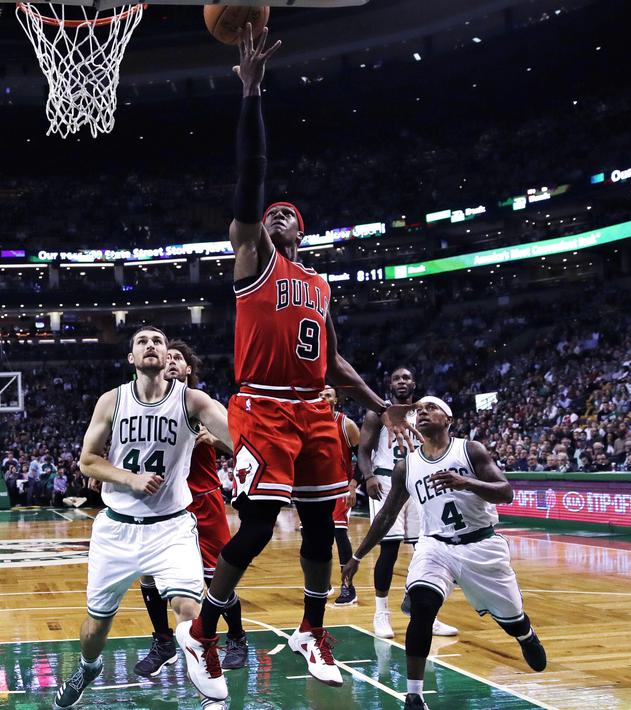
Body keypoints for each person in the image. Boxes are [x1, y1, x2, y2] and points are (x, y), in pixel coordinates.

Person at [184, 24, 419, 693]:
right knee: (257, 525)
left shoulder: (317, 285)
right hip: (259, 403)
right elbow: (249, 176)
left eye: (286, 214)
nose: (276, 216)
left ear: (301, 230)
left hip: (317, 410)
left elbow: (334, 362)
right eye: (270, 212)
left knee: (324, 526)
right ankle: (203, 628)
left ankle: (311, 629)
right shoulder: (252, 258)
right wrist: (251, 96)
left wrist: (379, 405)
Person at [53, 326, 233, 709]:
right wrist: (129, 479)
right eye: (142, 342)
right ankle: (88, 667)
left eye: (158, 341)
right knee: (96, 628)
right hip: (117, 527)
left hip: (171, 527)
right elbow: (88, 461)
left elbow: (240, 438)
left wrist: (222, 439)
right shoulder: (111, 401)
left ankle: (211, 698)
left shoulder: (193, 401)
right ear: (131, 359)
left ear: (169, 356)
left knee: (189, 609)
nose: (151, 346)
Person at [342, 397, 547, 710]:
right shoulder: (406, 465)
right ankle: (414, 696)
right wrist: (357, 557)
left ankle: (525, 634)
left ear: (448, 419)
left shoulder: (470, 450)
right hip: (436, 545)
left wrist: (466, 482)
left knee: (512, 620)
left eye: (431, 408)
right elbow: (385, 516)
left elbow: (506, 492)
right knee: (422, 606)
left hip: (482, 546)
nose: (423, 412)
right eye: (419, 409)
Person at [133, 339, 248, 678]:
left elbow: (241, 445)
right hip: (162, 504)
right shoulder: (145, 407)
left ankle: (237, 638)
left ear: (187, 369)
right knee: (149, 574)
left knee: (217, 580)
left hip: (203, 500)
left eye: (178, 358)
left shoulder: (202, 406)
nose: (169, 361)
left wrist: (216, 440)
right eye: (165, 357)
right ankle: (163, 642)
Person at [356, 368, 458, 639]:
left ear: (414, 383)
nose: (401, 382)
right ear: (390, 384)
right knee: (388, 551)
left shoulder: (424, 412)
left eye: (406, 378)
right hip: (386, 481)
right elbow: (363, 451)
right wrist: (368, 477)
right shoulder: (379, 412)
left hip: (417, 481)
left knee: (426, 552)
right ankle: (381, 613)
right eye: (396, 378)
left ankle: (428, 614)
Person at [322, 386, 360, 607]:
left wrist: (353, 485)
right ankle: (323, 584)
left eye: (328, 394)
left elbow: (363, 457)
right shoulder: (308, 423)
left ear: (336, 399)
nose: (323, 398)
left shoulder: (346, 425)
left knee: (339, 534)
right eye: (320, 394)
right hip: (316, 489)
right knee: (314, 538)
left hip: (339, 488)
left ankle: (348, 587)